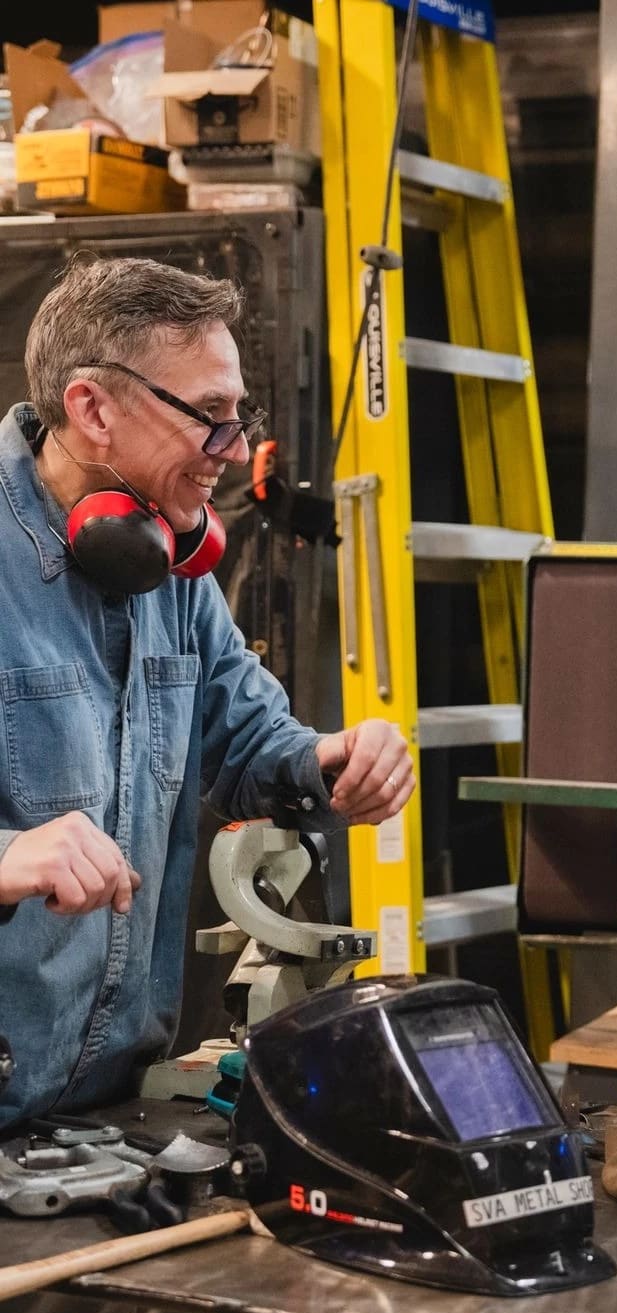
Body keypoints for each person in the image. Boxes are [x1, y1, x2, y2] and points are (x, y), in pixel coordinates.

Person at [0, 255, 415, 1137]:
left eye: (241, 418)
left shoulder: (168, 560)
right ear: (92, 409)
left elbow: (247, 739)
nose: (233, 451)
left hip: (101, 1108)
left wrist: (328, 761)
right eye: (210, 419)